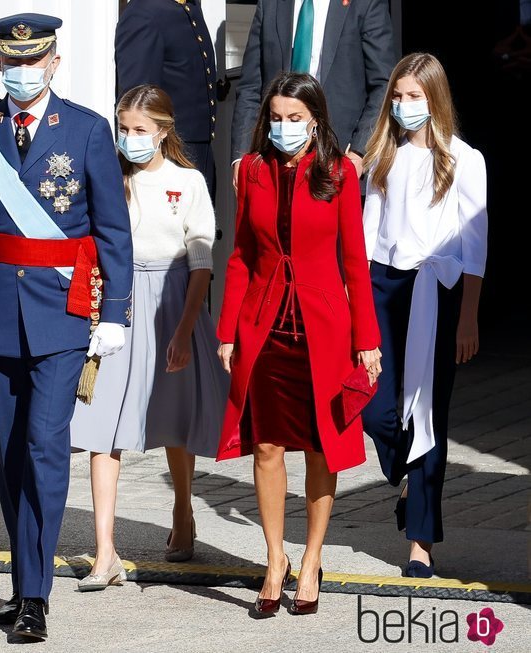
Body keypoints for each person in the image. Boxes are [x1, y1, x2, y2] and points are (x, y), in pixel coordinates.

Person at [0, 13, 134, 641]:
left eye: (30, 62)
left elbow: (111, 229)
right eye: (9, 62)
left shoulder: (89, 132)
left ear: (53, 64)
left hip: (64, 311)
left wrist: (116, 312)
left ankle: (36, 597)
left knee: (46, 446)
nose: (18, 73)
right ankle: (23, 584)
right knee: (11, 454)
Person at [215, 71, 381, 617]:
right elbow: (240, 255)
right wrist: (226, 331)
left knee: (318, 448)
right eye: (276, 119)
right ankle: (273, 559)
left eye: (295, 119)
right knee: (265, 446)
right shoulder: (254, 171)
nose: (283, 128)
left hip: (322, 329)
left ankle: (310, 560)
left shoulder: (337, 174)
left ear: (315, 121)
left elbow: (355, 263)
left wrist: (367, 340)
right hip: (264, 327)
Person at [71, 84, 228, 590]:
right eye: (124, 129)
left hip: (171, 300)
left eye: (140, 130)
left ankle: (183, 510)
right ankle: (105, 552)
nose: (130, 139)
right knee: (102, 427)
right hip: (117, 302)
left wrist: (184, 329)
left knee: (175, 423)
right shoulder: (107, 177)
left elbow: (201, 263)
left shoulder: (189, 181)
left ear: (163, 131)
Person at [361, 53, 488, 579]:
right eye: (399, 95)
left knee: (429, 415)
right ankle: (402, 471)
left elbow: (475, 243)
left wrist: (469, 317)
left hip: (435, 287)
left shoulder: (464, 158)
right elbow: (369, 230)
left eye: (415, 96)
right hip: (381, 283)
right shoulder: (382, 156)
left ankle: (420, 541)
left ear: (434, 100)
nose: (404, 105)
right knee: (374, 407)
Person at [230, 0, 396, 189]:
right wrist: (241, 156)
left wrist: (359, 153)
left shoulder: (364, 4)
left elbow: (384, 84)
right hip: (275, 165)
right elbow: (250, 86)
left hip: (339, 162)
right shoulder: (270, 4)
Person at [114, 0, 220, 192]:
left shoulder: (189, 6)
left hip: (197, 152)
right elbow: (136, 98)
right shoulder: (143, 11)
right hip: (166, 153)